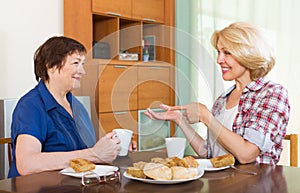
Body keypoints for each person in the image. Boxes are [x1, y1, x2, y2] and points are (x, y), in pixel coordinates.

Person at [145, 22, 290, 165]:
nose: (219, 60)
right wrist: (179, 120)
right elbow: (209, 153)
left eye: (227, 53)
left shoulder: (272, 94)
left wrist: (206, 117)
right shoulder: (223, 99)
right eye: (219, 52)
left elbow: (247, 155)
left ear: (248, 54)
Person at [8, 36, 137, 178]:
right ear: (51, 66)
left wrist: (114, 147)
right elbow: (27, 164)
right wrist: (93, 154)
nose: (83, 71)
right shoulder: (30, 106)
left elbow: (84, 151)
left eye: (82, 64)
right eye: (76, 63)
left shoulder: (77, 106)